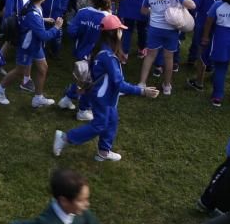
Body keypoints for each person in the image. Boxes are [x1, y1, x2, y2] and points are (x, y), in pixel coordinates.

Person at [53, 15, 159, 162]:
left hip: (105, 96)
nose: (122, 33)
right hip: (103, 98)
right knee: (99, 125)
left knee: (112, 121)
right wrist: (142, 91)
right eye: (120, 30)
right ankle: (64, 138)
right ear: (113, 33)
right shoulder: (109, 57)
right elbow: (120, 84)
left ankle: (103, 152)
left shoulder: (101, 50)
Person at [0, 168, 107, 224]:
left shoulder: (81, 212)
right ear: (64, 201)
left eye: (87, 199)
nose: (87, 204)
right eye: (81, 200)